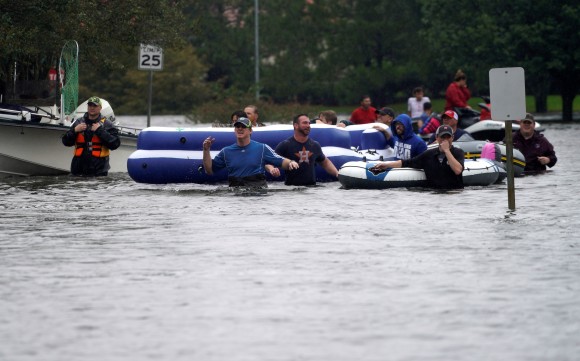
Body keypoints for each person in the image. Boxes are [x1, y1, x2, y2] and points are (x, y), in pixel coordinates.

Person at [203, 117, 299, 187]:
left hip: (257, 192)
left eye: (243, 127)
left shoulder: (262, 148)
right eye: (237, 127)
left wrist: (291, 162)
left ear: (250, 131)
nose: (240, 129)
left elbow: (280, 161)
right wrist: (206, 150)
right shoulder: (226, 151)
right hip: (236, 193)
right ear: (234, 130)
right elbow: (209, 170)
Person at [370, 125, 464, 189]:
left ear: (452, 137)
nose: (445, 140)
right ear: (437, 137)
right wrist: (387, 165)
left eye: (448, 137)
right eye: (442, 137)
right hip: (436, 194)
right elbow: (407, 162)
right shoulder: (429, 154)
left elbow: (458, 170)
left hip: (454, 193)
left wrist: (447, 151)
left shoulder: (458, 152)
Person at [267, 114, 339, 186]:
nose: (308, 126)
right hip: (291, 190)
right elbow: (269, 162)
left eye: (309, 123)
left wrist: (337, 174)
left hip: (312, 190)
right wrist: (272, 169)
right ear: (296, 125)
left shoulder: (314, 145)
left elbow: (325, 162)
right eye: (305, 123)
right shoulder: (285, 145)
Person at [61, 96, 120, 176]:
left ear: (100, 108)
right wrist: (74, 131)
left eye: (95, 106)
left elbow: (115, 144)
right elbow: (65, 142)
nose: (92, 108)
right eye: (90, 105)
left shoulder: (107, 124)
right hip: (78, 171)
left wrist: (100, 130)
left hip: (99, 171)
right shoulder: (78, 122)